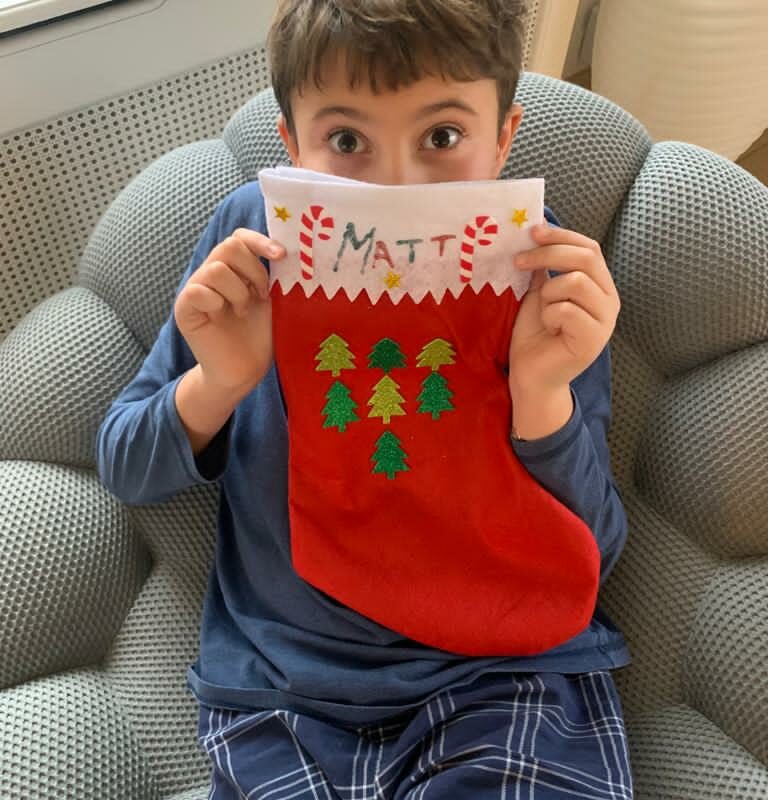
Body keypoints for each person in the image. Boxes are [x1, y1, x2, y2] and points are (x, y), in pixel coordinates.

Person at [96, 0, 633, 797]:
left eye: (442, 137)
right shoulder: (251, 246)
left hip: (505, 674)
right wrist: (221, 381)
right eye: (347, 142)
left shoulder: (542, 270)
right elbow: (125, 463)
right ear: (291, 146)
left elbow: (598, 550)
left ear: (503, 139)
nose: (395, 185)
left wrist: (542, 394)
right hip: (284, 689)